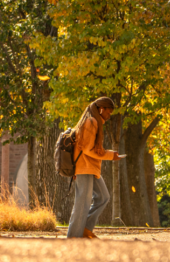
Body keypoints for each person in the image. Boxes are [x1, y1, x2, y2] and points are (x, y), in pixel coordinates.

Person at [66, 96, 120, 239]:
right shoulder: (91, 122)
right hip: (84, 168)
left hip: (91, 168)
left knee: (103, 197)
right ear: (101, 109)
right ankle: (73, 238)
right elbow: (87, 150)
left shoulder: (95, 121)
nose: (109, 117)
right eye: (108, 113)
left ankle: (84, 230)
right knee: (82, 203)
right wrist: (110, 155)